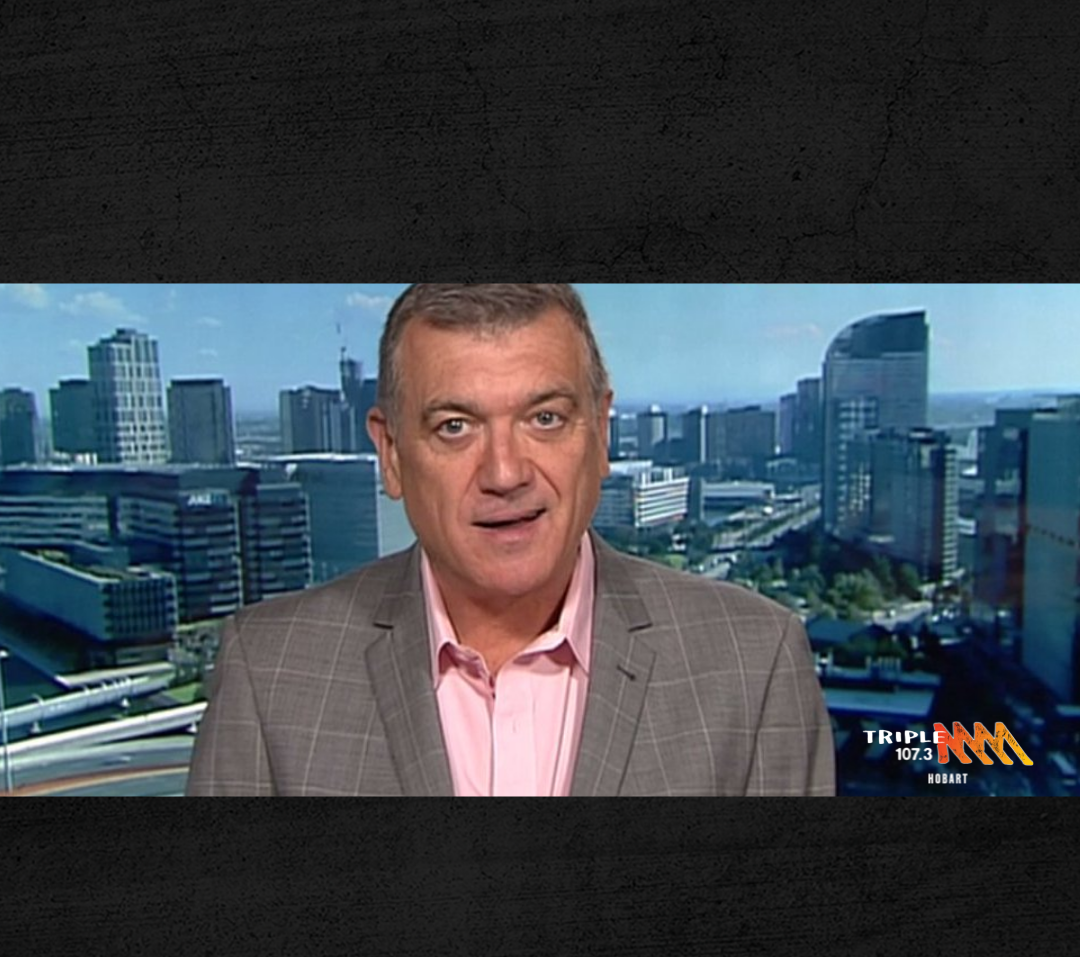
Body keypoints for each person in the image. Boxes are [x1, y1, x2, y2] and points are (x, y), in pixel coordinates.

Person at [187, 284, 835, 796]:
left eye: (545, 418)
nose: (505, 473)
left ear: (601, 434)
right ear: (391, 453)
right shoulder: (270, 671)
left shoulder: (754, 662)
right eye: (455, 426)